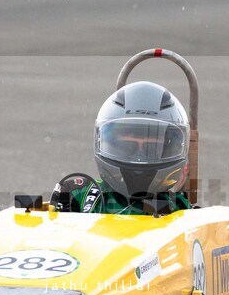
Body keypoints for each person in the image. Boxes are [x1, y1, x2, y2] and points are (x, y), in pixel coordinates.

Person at [67, 81, 192, 215]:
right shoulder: (78, 195)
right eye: (128, 147)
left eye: (151, 148)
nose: (139, 157)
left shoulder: (180, 210)